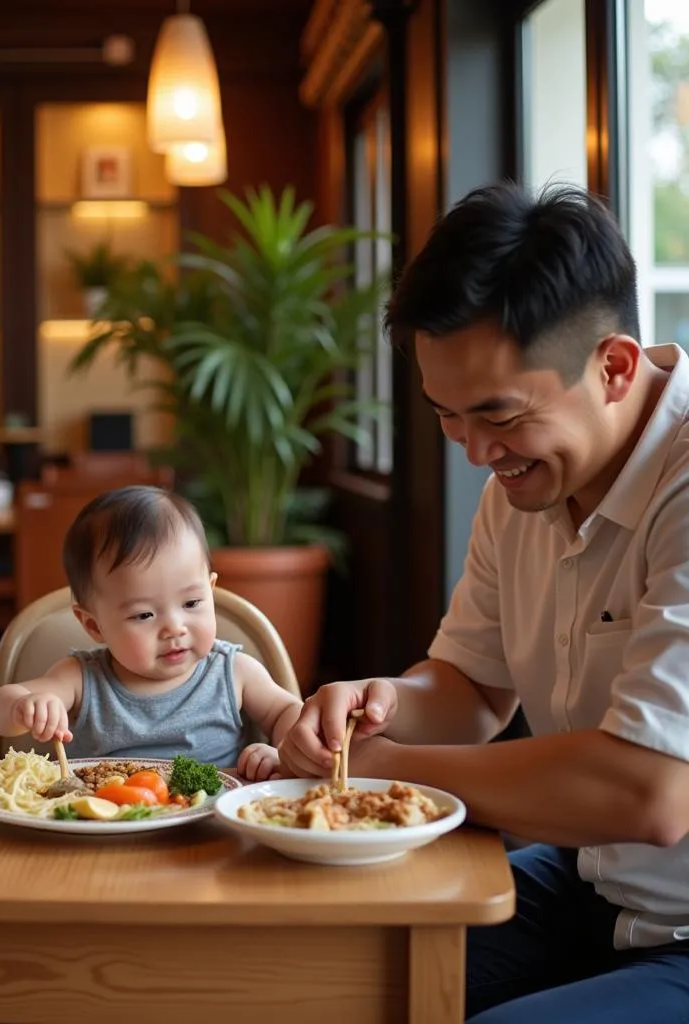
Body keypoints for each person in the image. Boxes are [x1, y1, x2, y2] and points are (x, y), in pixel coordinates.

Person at [278, 182, 689, 1022]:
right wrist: (379, 709)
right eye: (446, 418)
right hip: (593, 885)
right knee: (311, 972)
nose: (473, 453)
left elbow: (648, 793)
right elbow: (471, 687)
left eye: (497, 415)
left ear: (612, 367)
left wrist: (389, 769)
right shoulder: (528, 479)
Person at [0, 485, 301, 781]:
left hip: (210, 826)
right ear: (94, 625)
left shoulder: (234, 672)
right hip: (105, 826)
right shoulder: (82, 679)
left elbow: (288, 711)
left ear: (211, 591)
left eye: (191, 602)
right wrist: (22, 707)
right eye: (144, 615)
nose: (174, 628)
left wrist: (283, 753)